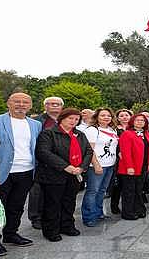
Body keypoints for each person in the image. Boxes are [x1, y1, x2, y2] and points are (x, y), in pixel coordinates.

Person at [0, 93, 41, 257]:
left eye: (25, 102)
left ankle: (11, 233)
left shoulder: (35, 124)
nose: (21, 104)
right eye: (17, 101)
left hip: (26, 171)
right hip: (1, 173)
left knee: (16, 206)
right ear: (8, 103)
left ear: (30, 105)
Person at [35, 108, 92, 241]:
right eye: (70, 118)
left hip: (74, 174)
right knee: (52, 204)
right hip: (53, 175)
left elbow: (88, 151)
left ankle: (67, 225)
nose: (74, 121)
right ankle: (51, 230)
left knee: (69, 202)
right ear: (62, 118)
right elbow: (44, 152)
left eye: (77, 119)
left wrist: (82, 167)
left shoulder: (79, 134)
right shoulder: (48, 133)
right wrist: (66, 167)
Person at [29, 96, 64, 229]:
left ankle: (52, 214)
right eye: (51, 104)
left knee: (54, 191)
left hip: (60, 161)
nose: (55, 106)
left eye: (58, 104)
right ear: (45, 106)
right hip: (41, 160)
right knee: (37, 191)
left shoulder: (64, 120)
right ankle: (36, 217)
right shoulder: (37, 121)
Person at [81, 108, 118, 227]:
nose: (106, 117)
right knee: (93, 191)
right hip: (96, 165)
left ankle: (98, 212)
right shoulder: (92, 130)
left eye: (108, 115)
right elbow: (89, 149)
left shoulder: (112, 130)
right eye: (103, 115)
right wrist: (96, 164)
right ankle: (89, 216)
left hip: (109, 165)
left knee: (102, 190)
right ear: (97, 117)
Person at [117, 114, 149, 220]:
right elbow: (125, 152)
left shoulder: (146, 134)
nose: (140, 122)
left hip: (143, 166)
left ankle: (138, 209)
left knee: (138, 189)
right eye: (137, 120)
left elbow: (148, 150)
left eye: (142, 120)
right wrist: (129, 167)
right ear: (132, 121)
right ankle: (128, 212)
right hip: (130, 167)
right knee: (129, 190)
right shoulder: (127, 134)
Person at [109, 109, 133, 215]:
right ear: (117, 118)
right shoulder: (113, 130)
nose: (124, 117)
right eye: (121, 116)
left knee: (127, 185)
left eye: (126, 115)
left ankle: (127, 206)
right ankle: (114, 205)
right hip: (117, 159)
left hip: (131, 159)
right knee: (117, 184)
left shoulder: (133, 129)